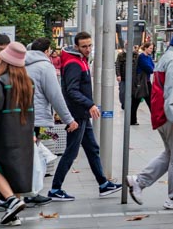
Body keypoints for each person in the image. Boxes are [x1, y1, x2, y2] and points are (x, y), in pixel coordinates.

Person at [127, 28, 173, 209]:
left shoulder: (169, 57)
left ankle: (139, 181)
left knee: (171, 153)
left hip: (162, 113)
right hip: (171, 115)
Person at [49, 32, 121, 201]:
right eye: (84, 46)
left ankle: (103, 184)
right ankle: (55, 189)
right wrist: (90, 104)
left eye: (90, 45)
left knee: (92, 148)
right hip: (77, 114)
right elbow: (71, 90)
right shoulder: (74, 63)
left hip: (81, 113)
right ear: (76, 47)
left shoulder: (80, 59)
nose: (88, 49)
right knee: (71, 152)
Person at [25, 38, 77, 205]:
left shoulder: (22, 63)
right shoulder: (45, 66)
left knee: (29, 154)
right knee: (33, 156)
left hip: (22, 116)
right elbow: (55, 95)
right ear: (47, 51)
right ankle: (29, 193)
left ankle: (26, 192)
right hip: (38, 118)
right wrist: (68, 119)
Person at [0, 41, 36, 225]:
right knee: (14, 171)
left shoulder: (1, 80)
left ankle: (12, 200)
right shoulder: (28, 82)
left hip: (4, 133)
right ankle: (13, 214)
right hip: (24, 133)